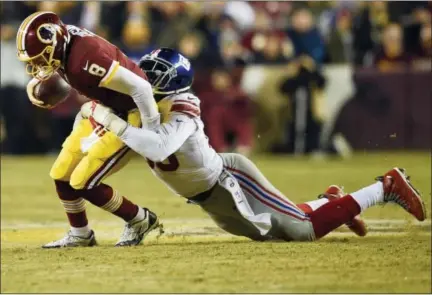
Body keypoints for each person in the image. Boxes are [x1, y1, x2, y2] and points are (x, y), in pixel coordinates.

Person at [80, 48, 426, 243]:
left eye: (151, 73)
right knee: (277, 231)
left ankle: (385, 187)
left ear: (170, 82)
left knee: (300, 232)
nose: (142, 76)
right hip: (207, 198)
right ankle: (330, 201)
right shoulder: (141, 103)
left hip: (230, 181)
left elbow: (157, 148)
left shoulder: (184, 106)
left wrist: (110, 120)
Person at [16, 11, 160, 248]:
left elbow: (141, 88)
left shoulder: (84, 59)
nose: (36, 65)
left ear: (54, 42)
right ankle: (80, 233)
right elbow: (71, 73)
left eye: (40, 58)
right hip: (104, 107)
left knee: (83, 181)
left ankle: (140, 220)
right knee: (61, 174)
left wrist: (152, 132)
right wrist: (44, 87)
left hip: (131, 112)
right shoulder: (65, 43)